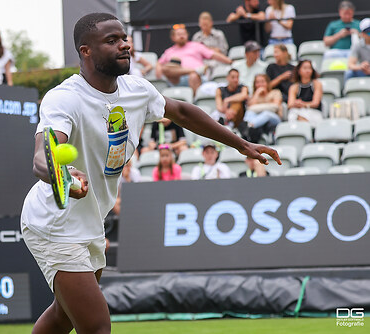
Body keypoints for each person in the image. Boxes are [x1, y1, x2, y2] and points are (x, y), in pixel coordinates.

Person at [20, 13, 280, 334]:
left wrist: (242, 145)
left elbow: (183, 112)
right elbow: (41, 160)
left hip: (89, 219)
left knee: (63, 315)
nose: (124, 45)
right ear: (85, 51)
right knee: (97, 327)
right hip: (54, 222)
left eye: (124, 38)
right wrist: (63, 175)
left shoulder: (136, 89)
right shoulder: (64, 99)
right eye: (112, 41)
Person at [156, 24, 232, 95]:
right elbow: (160, 63)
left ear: (187, 35)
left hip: (197, 77)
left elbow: (213, 55)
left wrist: (230, 61)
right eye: (179, 34)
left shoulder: (196, 45)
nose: (181, 36)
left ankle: (195, 103)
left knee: (193, 76)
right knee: (166, 68)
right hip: (177, 79)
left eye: (183, 34)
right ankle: (194, 70)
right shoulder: (169, 51)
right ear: (173, 37)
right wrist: (158, 68)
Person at [242, 74, 283, 142]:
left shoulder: (275, 92)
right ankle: (249, 128)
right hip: (258, 120)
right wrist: (257, 93)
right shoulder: (254, 95)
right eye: (257, 82)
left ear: (267, 83)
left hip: (275, 119)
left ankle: (248, 127)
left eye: (262, 82)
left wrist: (256, 108)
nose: (260, 84)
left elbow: (275, 107)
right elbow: (250, 109)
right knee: (250, 112)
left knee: (266, 113)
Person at [192, 12, 229, 77]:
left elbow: (223, 51)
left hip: (218, 62)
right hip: (202, 63)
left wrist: (204, 50)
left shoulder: (219, 34)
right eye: (202, 24)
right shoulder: (196, 37)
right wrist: (213, 50)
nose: (204, 26)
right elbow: (195, 54)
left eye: (206, 24)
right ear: (199, 24)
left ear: (211, 23)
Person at [288, 59, 323, 126]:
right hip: (299, 111)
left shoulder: (317, 84)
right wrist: (296, 103)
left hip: (313, 112)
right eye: (305, 68)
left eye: (309, 68)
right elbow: (290, 104)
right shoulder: (294, 87)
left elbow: (316, 103)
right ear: (299, 71)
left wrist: (304, 104)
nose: (307, 71)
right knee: (292, 113)